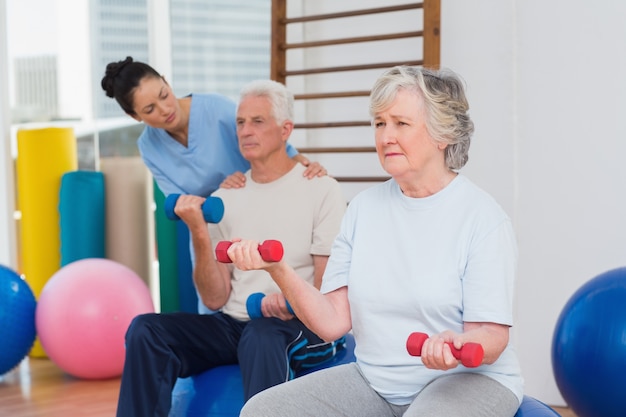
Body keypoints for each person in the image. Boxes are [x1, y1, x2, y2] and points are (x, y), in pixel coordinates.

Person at [229, 66, 524, 417]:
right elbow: (332, 321)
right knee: (262, 411)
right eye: (380, 123)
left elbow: (491, 336)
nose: (385, 137)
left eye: (401, 123)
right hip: (375, 382)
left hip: (467, 380)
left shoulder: (482, 218)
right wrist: (276, 267)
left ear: (441, 134)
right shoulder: (363, 210)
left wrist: (456, 343)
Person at [114, 79, 347, 417]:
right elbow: (214, 298)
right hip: (236, 323)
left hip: (303, 324)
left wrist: (286, 301)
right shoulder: (224, 198)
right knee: (146, 330)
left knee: (261, 335)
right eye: (240, 122)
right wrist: (198, 229)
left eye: (258, 121)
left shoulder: (321, 189)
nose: (245, 131)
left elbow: (328, 287)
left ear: (286, 130)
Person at [101, 56, 327, 313]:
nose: (164, 109)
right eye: (150, 109)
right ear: (134, 116)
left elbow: (273, 141)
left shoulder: (217, 110)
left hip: (253, 215)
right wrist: (209, 200)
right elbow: (180, 200)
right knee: (215, 311)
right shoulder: (148, 146)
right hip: (210, 226)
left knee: (258, 298)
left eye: (164, 95)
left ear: (166, 81)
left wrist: (305, 166)